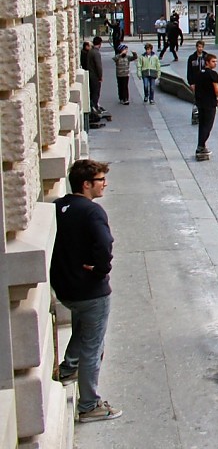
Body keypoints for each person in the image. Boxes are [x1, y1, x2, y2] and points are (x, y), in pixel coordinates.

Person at [50, 159, 122, 421]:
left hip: (66, 288)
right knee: (94, 346)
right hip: (91, 291)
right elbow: (104, 244)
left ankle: (69, 367)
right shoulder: (93, 212)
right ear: (87, 184)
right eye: (101, 180)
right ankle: (89, 405)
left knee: (83, 324)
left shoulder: (57, 207)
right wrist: (102, 271)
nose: (105, 184)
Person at [193, 54, 218, 158]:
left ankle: (201, 145)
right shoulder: (212, 74)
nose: (215, 63)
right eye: (213, 61)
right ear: (207, 62)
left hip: (200, 102)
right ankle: (200, 146)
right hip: (209, 103)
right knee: (208, 125)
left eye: (216, 61)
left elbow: (196, 87)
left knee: (202, 125)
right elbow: (216, 89)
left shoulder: (199, 73)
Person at [87, 36, 105, 117]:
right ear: (100, 44)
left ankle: (93, 107)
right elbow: (98, 66)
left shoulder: (90, 51)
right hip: (95, 76)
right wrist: (100, 76)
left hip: (90, 74)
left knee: (92, 92)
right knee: (96, 93)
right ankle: (94, 108)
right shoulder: (96, 53)